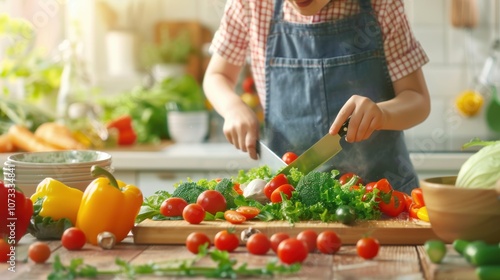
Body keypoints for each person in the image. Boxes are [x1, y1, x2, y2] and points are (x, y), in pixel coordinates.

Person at [203, 0, 430, 194]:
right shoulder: (251, 3)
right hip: (290, 196)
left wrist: (382, 114)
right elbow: (217, 75)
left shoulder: (381, 4)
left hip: (384, 194)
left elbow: (417, 98)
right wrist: (233, 107)